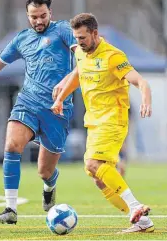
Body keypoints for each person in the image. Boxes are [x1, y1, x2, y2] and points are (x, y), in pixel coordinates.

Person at [0, 0, 77, 224]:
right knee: (11, 145)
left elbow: (81, 57)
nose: (39, 21)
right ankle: (10, 209)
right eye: (34, 17)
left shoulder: (63, 30)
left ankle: (50, 185)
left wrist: (66, 83)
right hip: (28, 102)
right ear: (27, 15)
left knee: (45, 171)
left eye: (43, 16)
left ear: (50, 13)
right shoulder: (21, 39)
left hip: (57, 108)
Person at [51, 13, 154, 233]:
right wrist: (60, 98)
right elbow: (78, 75)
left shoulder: (113, 56)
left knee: (93, 165)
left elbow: (140, 80)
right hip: (94, 122)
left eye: (82, 37)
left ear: (95, 34)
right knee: (97, 177)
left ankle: (135, 206)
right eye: (76, 37)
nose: (78, 42)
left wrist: (146, 97)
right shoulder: (80, 52)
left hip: (113, 119)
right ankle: (141, 221)